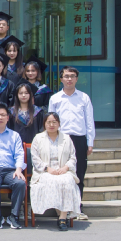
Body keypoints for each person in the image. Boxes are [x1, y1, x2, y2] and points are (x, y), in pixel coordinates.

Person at [48, 66, 95, 221]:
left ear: (76, 79)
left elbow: (89, 121)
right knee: (61, 174)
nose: (69, 79)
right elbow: (50, 121)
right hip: (61, 139)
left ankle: (77, 208)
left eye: (72, 76)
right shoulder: (55, 99)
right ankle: (62, 208)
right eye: (66, 76)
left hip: (79, 139)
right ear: (61, 79)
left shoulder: (84, 98)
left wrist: (90, 142)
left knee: (79, 173)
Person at [30, 112, 82, 231]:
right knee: (51, 181)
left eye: (54, 122)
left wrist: (65, 168)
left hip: (63, 170)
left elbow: (73, 157)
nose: (51, 125)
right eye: (49, 122)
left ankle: (62, 217)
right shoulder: (38, 138)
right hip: (45, 171)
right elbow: (35, 158)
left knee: (67, 181)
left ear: (59, 124)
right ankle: (61, 214)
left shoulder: (66, 138)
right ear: (44, 124)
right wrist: (47, 168)